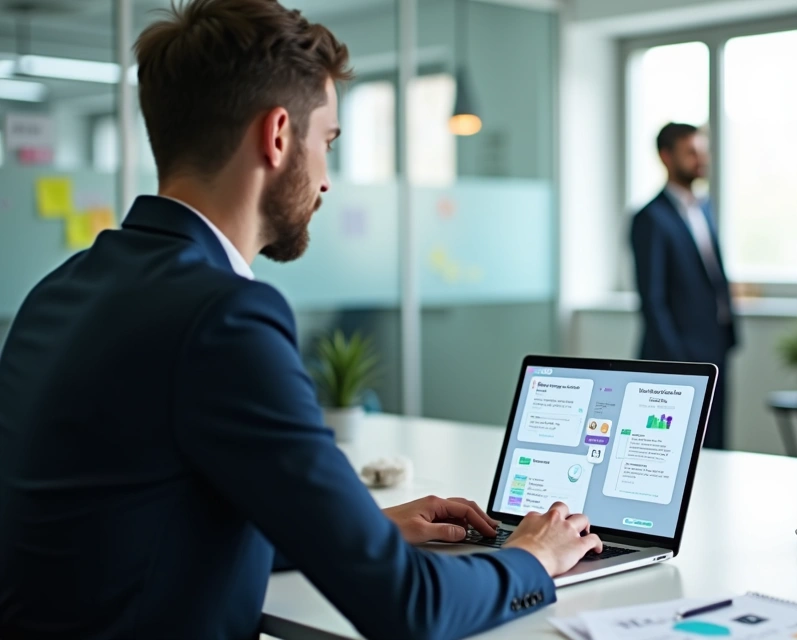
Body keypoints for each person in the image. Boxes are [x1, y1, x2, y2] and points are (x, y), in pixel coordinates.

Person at [0, 1, 600, 638]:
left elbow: (137, 525)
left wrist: (364, 532)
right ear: (279, 136)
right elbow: (410, 609)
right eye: (328, 143)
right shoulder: (222, 316)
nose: (327, 181)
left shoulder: (63, 288)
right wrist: (530, 558)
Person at [630, 123, 737, 450]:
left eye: (702, 151)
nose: (700, 159)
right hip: (676, 357)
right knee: (676, 449)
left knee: (716, 444)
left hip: (715, 348)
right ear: (666, 157)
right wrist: (676, 360)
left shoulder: (705, 208)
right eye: (691, 152)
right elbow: (653, 298)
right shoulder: (650, 218)